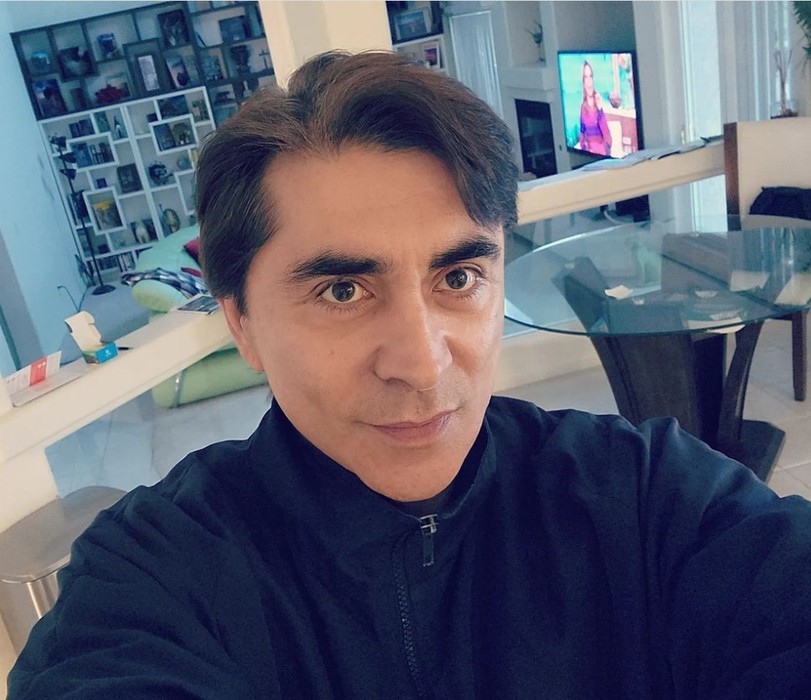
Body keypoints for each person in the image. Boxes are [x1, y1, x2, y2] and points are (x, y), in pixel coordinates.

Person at [8, 50, 811, 698]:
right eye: (342, 290)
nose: (424, 362)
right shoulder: (154, 577)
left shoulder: (644, 496)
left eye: (457, 277)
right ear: (241, 323)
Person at [579, 59, 612, 156]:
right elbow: (582, 134)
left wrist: (600, 110)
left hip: (601, 153)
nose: (589, 81)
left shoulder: (599, 104)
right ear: (583, 82)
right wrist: (585, 148)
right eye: (586, 77)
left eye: (590, 76)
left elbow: (609, 140)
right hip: (588, 154)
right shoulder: (583, 107)